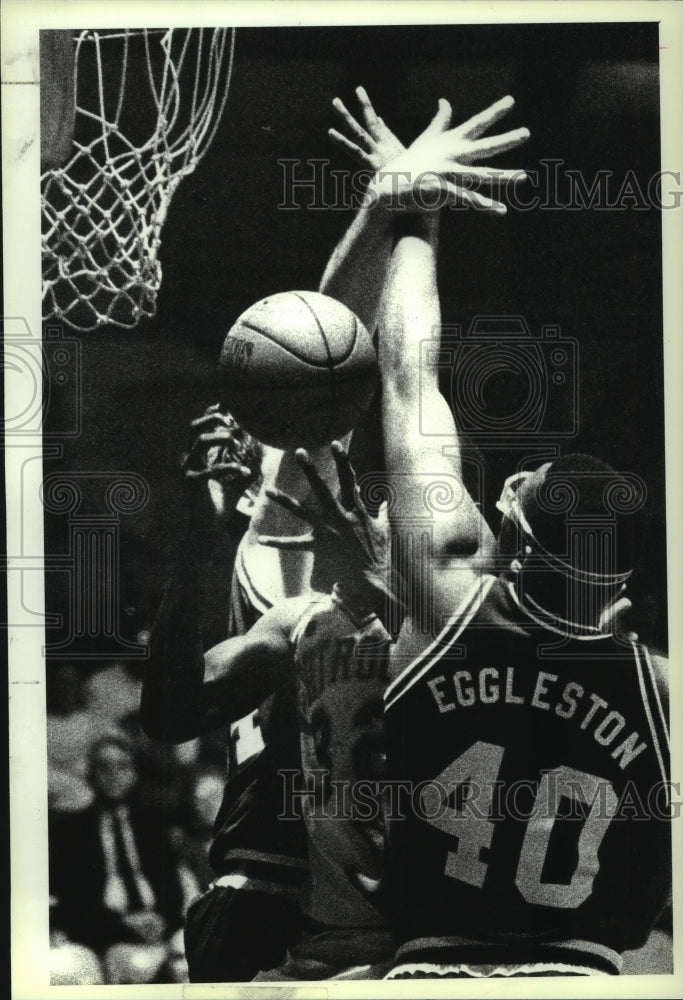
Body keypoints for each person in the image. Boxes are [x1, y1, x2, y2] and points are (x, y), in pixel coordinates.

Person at [369, 122, 671, 978]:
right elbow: (650, 893)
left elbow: (405, 374)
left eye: (520, 483)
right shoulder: (660, 686)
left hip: (436, 965)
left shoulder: (452, 590)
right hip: (577, 970)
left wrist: (414, 211)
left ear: (513, 530)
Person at [48, 735, 188, 961]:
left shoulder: (153, 825)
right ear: (91, 774)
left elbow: (172, 887)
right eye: (104, 767)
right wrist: (123, 923)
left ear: (134, 774)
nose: (114, 774)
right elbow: (73, 902)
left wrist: (161, 919)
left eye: (122, 766)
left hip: (158, 928)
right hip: (102, 935)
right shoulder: (70, 831)